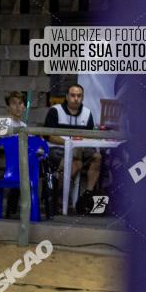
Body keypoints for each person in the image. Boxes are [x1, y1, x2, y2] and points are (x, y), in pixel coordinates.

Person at [43, 83, 101, 213]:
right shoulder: (55, 111)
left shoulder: (87, 113)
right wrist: (70, 144)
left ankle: (87, 195)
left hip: (80, 148)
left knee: (97, 157)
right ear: (67, 96)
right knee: (75, 162)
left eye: (79, 96)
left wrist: (79, 145)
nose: (76, 98)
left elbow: (90, 136)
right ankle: (59, 196)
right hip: (58, 148)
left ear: (83, 97)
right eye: (73, 95)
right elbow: (50, 136)